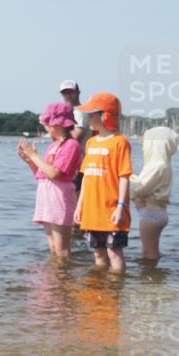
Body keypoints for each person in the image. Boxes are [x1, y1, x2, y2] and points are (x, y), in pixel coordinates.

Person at [72, 93, 132, 272]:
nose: (88, 118)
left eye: (92, 114)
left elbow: (124, 176)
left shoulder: (120, 142)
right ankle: (99, 287)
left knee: (114, 251)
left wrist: (121, 206)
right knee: (98, 253)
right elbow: (86, 177)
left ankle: (116, 290)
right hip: (92, 210)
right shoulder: (90, 143)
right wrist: (79, 206)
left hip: (112, 209)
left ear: (105, 115)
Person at [17, 103, 83, 258]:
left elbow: (54, 174)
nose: (46, 126)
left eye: (49, 123)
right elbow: (42, 174)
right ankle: (55, 279)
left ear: (60, 124)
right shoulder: (53, 145)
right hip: (46, 196)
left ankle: (63, 279)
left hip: (60, 197)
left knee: (62, 249)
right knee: (53, 248)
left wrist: (34, 155)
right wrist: (29, 160)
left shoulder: (71, 145)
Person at [130, 126, 178, 261]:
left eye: (146, 143)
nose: (144, 147)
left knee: (148, 254)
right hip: (158, 213)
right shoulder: (163, 164)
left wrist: (125, 177)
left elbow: (140, 188)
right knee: (152, 251)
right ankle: (156, 276)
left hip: (151, 214)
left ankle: (151, 279)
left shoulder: (158, 166)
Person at [59, 81, 90, 147]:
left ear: (78, 93)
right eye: (64, 93)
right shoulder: (69, 112)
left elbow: (75, 137)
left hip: (81, 155)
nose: (68, 95)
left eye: (71, 92)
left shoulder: (81, 111)